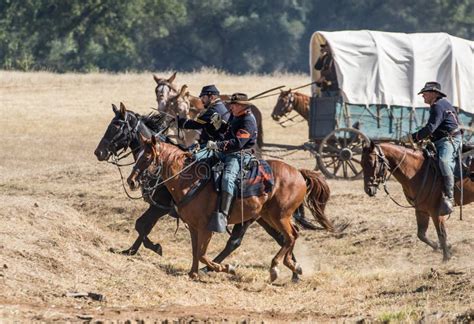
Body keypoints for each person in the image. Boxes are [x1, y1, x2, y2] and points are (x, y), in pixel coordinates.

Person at [401, 81, 462, 215]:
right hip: (440, 139)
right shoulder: (439, 105)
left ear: (434, 94)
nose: (423, 96)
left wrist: (413, 137)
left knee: (444, 161)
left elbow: (430, 128)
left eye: (425, 93)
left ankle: (449, 197)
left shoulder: (438, 106)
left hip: (449, 140)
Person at [205, 93, 258, 233]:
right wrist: (219, 124)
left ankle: (223, 215)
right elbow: (228, 132)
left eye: (233, 104)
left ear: (242, 106)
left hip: (239, 155)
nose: (230, 106)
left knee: (228, 178)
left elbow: (238, 142)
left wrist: (218, 145)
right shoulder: (236, 116)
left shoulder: (248, 121)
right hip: (227, 151)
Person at [177, 84, 229, 153]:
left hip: (216, 146)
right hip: (217, 143)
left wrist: (180, 121)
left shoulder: (213, 110)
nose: (201, 100)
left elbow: (196, 124)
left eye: (203, 97)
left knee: (189, 158)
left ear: (211, 97)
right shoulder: (220, 106)